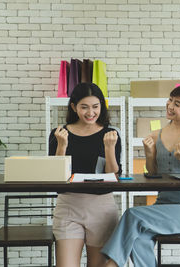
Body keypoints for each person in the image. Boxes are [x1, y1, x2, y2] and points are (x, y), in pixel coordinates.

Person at [101, 84, 180, 267]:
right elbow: (153, 174)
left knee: (131, 214)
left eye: (177, 103)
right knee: (138, 239)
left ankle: (111, 264)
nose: (170, 106)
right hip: (161, 206)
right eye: (170, 100)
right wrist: (149, 155)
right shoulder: (157, 134)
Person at [49, 82, 122, 267]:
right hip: (68, 206)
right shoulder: (59, 134)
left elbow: (113, 175)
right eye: (84, 107)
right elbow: (55, 176)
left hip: (101, 208)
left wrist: (109, 148)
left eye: (95, 107)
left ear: (101, 107)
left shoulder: (111, 134)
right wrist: (62, 146)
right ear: (74, 107)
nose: (91, 113)